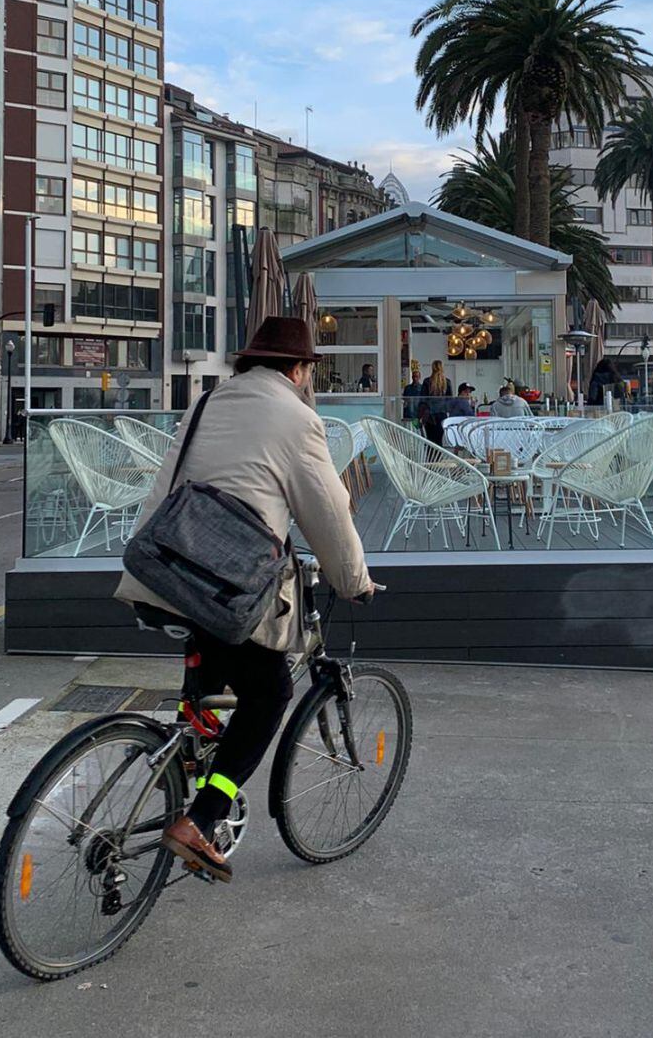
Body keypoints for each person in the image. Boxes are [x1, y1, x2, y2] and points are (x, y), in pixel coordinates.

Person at [115, 317, 374, 882]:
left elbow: (167, 488)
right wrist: (354, 581)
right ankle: (201, 819)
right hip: (220, 587)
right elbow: (329, 515)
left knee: (213, 674)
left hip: (159, 569)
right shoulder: (298, 419)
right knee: (270, 691)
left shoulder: (206, 403)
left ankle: (187, 767)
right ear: (301, 370)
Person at [422, 359, 452, 444]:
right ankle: (438, 457)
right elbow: (450, 400)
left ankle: (430, 457)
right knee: (439, 440)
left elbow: (423, 399)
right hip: (442, 414)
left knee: (430, 440)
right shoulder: (447, 382)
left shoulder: (427, 381)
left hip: (429, 414)